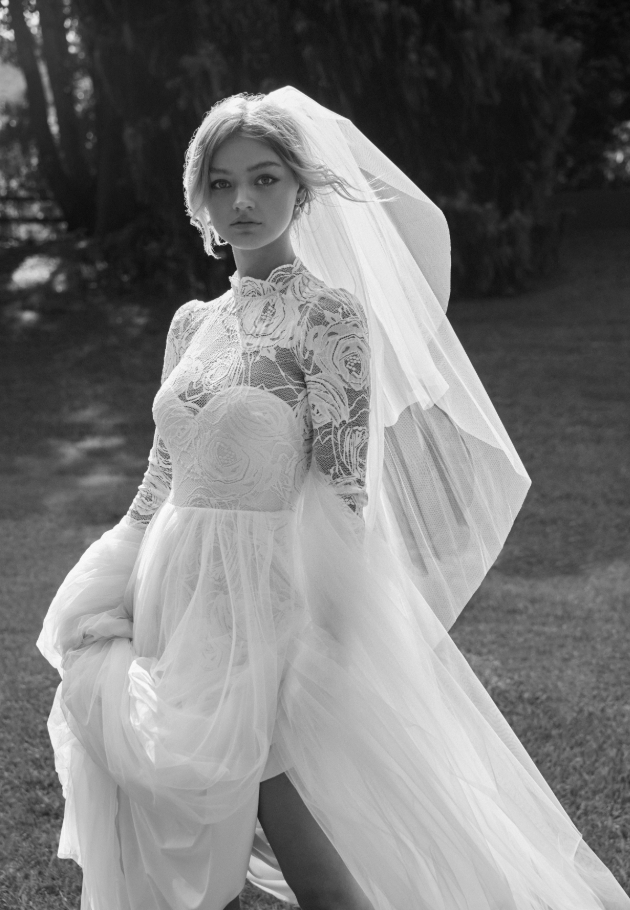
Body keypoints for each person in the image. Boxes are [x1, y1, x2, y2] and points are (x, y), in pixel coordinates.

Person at [37, 88, 629, 910]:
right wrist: (109, 578)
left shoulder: (330, 317)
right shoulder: (190, 323)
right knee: (186, 817)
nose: (242, 200)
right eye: (221, 182)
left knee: (301, 838)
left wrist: (323, 640)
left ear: (300, 191)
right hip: (170, 592)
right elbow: (160, 473)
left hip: (269, 600)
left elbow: (348, 489)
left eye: (265, 178)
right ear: (198, 199)